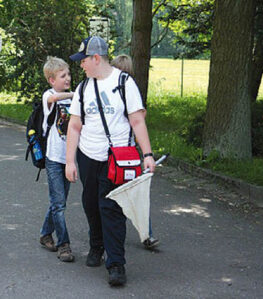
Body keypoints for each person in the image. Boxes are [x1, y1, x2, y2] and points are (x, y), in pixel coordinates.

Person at [66, 36, 156, 286]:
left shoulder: (125, 83)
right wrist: (70, 161)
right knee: (90, 204)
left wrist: (147, 155)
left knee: (111, 209)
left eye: (83, 60)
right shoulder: (84, 88)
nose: (80, 65)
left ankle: (116, 263)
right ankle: (97, 245)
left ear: (96, 58)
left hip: (117, 159)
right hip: (87, 156)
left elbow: (138, 121)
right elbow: (74, 126)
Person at [110, 54, 159, 250]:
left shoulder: (129, 91)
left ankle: (147, 234)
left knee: (136, 192)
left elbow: (138, 119)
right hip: (119, 153)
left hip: (127, 153)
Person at [39, 56, 75, 262]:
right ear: (52, 80)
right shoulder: (49, 95)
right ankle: (64, 245)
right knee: (59, 204)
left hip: (68, 158)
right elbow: (53, 100)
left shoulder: (72, 99)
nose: (67, 78)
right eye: (63, 76)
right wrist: (76, 95)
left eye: (68, 74)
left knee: (58, 202)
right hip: (53, 158)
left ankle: (45, 233)